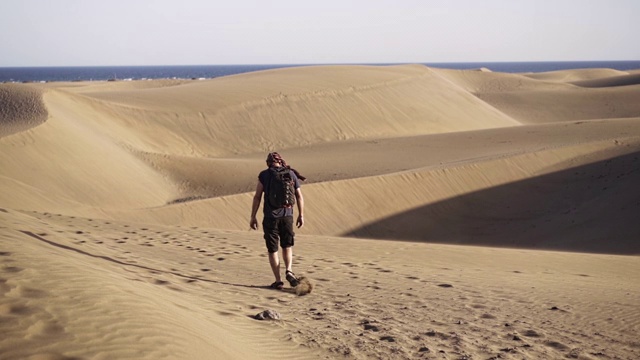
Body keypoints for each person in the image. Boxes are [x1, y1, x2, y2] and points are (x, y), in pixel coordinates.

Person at [250, 152, 305, 290]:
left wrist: (253, 216)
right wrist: (301, 215)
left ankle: (278, 281)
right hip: (287, 216)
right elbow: (299, 196)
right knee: (287, 245)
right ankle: (289, 270)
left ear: (268, 163)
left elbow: (257, 196)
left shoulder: (264, 175)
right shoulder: (291, 174)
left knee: (272, 249)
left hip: (270, 217)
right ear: (280, 162)